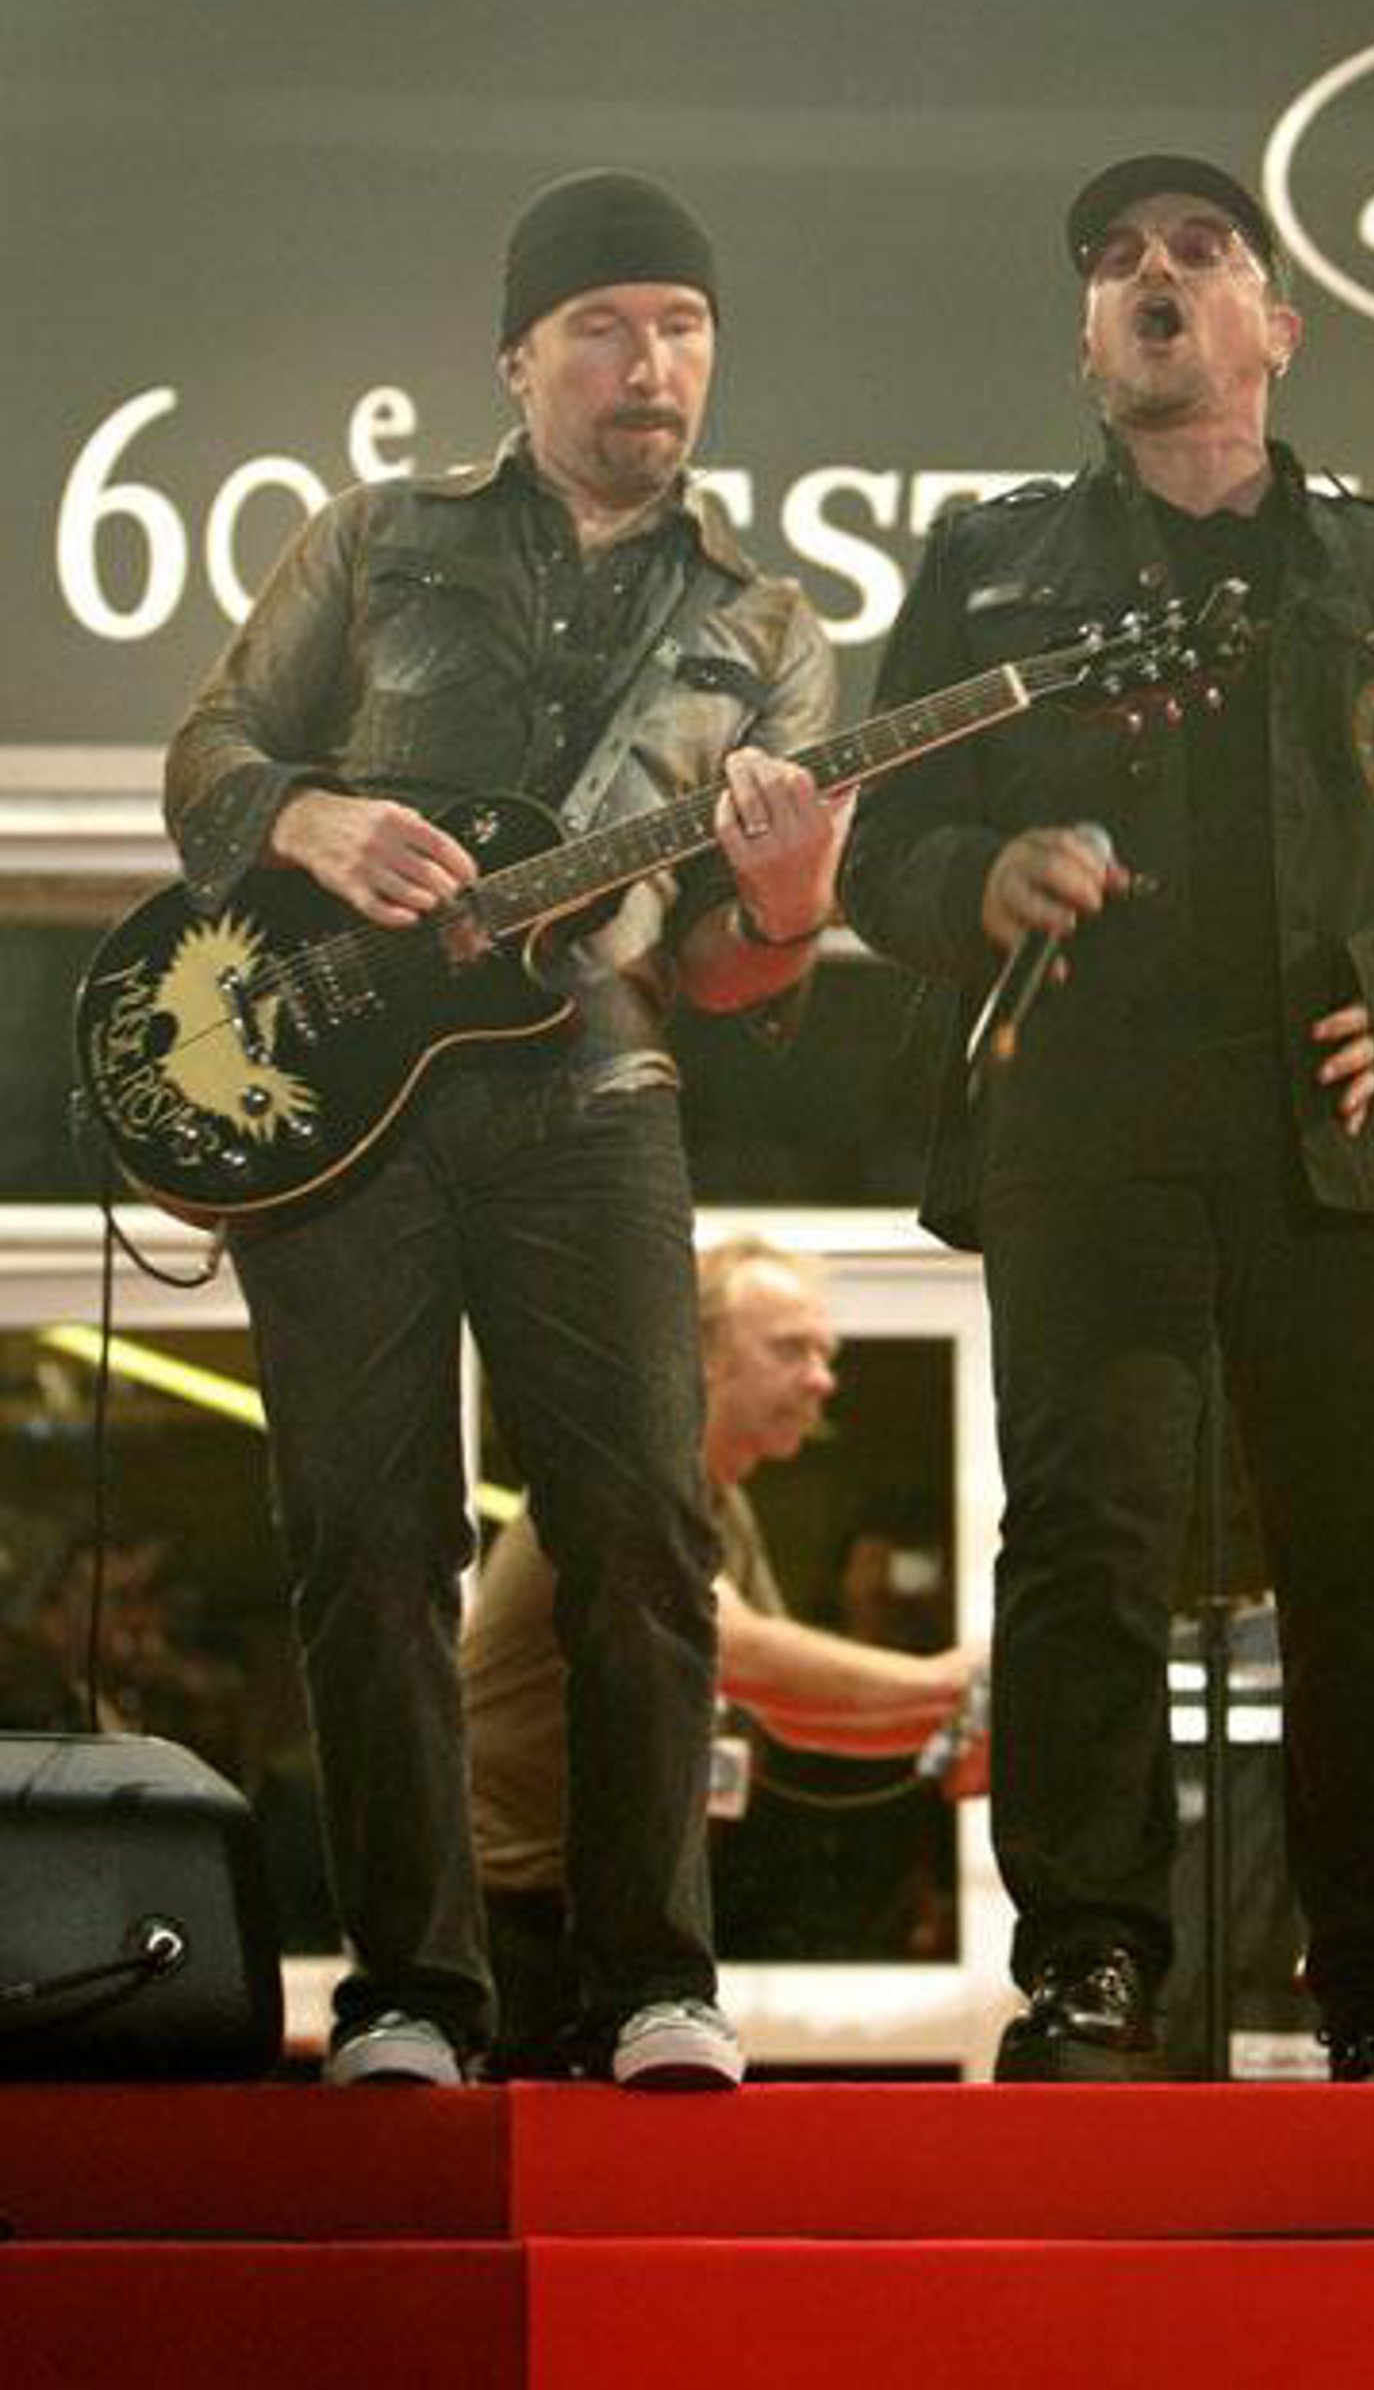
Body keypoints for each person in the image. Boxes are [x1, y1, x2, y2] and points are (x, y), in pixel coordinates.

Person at [839, 152, 1374, 2083]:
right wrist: (978, 875)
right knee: (1085, 1539)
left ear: (1276, 326)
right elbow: (880, 850)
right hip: (1089, 1116)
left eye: (1201, 249)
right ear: (1090, 343)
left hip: (1348, 1122)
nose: (1156, 272)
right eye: (1118, 260)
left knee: (1370, 1563)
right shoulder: (988, 566)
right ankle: (1087, 1961)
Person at [162, 169, 844, 2088]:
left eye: (683, 327)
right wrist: (308, 818)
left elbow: (728, 974)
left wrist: (793, 903)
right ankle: (411, 1992)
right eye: (606, 326)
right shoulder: (376, 535)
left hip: (597, 1089)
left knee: (644, 1531)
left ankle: (653, 1983)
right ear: (519, 359)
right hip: (344, 1108)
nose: (652, 363)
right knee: (366, 1540)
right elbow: (207, 759)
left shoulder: (765, 625)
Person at [462, 1235, 986, 2074]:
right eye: (791, 1349)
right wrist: (956, 1681)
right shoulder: (626, 1478)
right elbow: (739, 1650)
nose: (822, 1379)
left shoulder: (717, 1504)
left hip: (581, 1908)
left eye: (825, 1354)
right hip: (516, 1918)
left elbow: (790, 1708)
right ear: (698, 1357)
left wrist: (954, 1720)